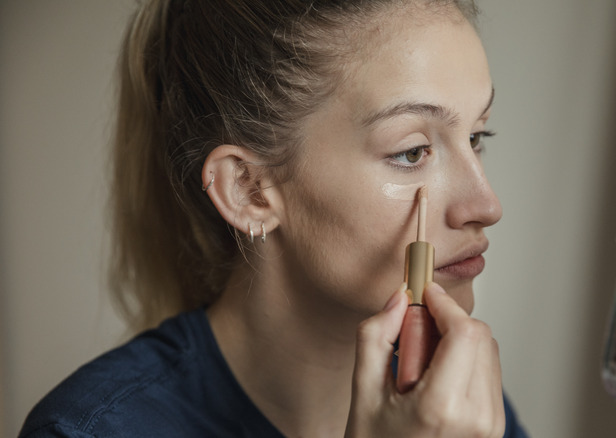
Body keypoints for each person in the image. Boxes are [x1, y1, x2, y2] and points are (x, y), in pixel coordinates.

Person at [20, 0, 525, 436]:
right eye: (413, 151)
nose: (486, 206)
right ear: (248, 190)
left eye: (478, 137)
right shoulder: (89, 432)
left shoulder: (455, 411)